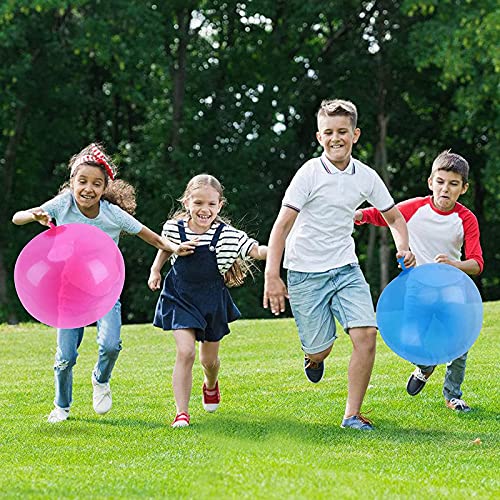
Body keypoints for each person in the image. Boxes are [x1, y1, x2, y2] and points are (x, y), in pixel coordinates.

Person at [12, 143, 195, 423]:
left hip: (103, 290)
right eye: (82, 181)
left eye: (97, 184)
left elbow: (151, 236)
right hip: (68, 292)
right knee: (65, 358)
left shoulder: (112, 213)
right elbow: (18, 218)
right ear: (71, 182)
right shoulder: (63, 203)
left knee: (110, 344)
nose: (88, 188)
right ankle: (61, 406)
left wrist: (173, 247)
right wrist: (34, 214)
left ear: (105, 187)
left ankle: (101, 379)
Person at [263, 99, 415, 431]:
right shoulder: (309, 174)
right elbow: (281, 226)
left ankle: (351, 415)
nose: (336, 138)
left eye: (342, 132)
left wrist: (403, 245)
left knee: (366, 335)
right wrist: (272, 275)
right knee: (322, 350)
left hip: (345, 267)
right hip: (304, 272)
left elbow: (394, 218)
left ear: (355, 134)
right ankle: (312, 356)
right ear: (319, 137)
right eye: (329, 132)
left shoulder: (366, 176)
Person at [355, 150, 483, 412]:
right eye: (440, 181)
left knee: (459, 344)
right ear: (430, 182)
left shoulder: (466, 219)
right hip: (417, 288)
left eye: (453, 184)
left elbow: (477, 263)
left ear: (464, 188)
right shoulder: (414, 208)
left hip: (451, 289)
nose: (445, 189)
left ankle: (453, 395)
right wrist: (359, 215)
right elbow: (385, 216)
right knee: (416, 338)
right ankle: (425, 366)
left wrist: (454, 265)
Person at [148, 174, 267, 428]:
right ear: (187, 202)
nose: (205, 209)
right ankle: (182, 413)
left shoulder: (228, 236)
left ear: (220, 205)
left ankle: (210, 384)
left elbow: (256, 251)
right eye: (199, 202)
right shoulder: (173, 228)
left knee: (208, 361)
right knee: (185, 351)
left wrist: (281, 251)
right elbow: (165, 246)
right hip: (179, 296)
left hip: (212, 300)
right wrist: (155, 269)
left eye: (211, 204)